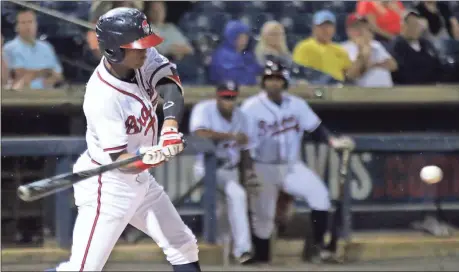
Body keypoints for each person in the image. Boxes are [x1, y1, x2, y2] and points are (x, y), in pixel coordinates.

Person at [46, 8, 200, 272]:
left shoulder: (142, 57)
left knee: (182, 243)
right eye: (136, 46)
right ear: (114, 50)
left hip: (140, 181)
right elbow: (121, 161)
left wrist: (170, 126)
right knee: (82, 270)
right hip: (109, 185)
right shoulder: (102, 97)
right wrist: (151, 157)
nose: (144, 50)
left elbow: (168, 82)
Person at [241, 60, 355, 264]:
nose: (274, 83)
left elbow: (316, 127)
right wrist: (249, 171)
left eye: (278, 79)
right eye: (270, 79)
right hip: (263, 166)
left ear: (285, 82)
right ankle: (261, 258)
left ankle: (318, 248)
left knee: (320, 196)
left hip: (291, 166)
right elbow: (245, 144)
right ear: (263, 82)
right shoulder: (251, 107)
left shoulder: (297, 104)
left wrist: (332, 141)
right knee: (264, 218)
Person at [189, 81, 257, 264]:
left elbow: (246, 150)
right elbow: (199, 134)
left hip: (231, 169)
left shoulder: (242, 116)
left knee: (231, 208)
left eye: (232, 97)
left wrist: (250, 173)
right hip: (208, 169)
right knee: (230, 202)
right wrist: (231, 136)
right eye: (226, 97)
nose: (229, 101)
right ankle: (239, 251)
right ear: (217, 96)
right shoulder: (204, 109)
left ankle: (238, 253)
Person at [292, 10, 366, 83]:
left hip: (338, 89)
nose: (325, 29)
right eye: (321, 26)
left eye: (329, 26)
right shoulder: (304, 47)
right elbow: (299, 73)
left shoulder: (339, 50)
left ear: (334, 29)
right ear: (314, 28)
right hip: (316, 88)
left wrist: (361, 54)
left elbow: (350, 75)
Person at [3, 8, 63, 90]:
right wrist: (45, 72)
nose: (28, 26)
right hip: (20, 96)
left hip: (47, 95)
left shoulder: (47, 47)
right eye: (23, 23)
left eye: (30, 22)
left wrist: (47, 78)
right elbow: (19, 76)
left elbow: (58, 75)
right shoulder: (9, 48)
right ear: (17, 27)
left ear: (36, 24)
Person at [341, 13, 398, 87]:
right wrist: (363, 51)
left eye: (363, 27)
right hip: (364, 94)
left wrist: (371, 65)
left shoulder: (376, 44)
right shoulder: (344, 48)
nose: (361, 30)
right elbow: (351, 75)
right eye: (357, 27)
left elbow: (393, 65)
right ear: (348, 30)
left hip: (387, 91)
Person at [390, 10, 443, 84]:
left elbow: (437, 65)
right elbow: (403, 72)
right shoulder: (397, 46)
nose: (415, 28)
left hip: (432, 87)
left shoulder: (426, 44)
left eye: (417, 25)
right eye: (412, 25)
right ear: (403, 26)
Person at [209, 20, 262, 86]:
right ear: (231, 37)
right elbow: (234, 78)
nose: (244, 41)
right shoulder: (223, 55)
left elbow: (257, 69)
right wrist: (254, 79)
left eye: (246, 37)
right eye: (240, 37)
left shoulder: (246, 54)